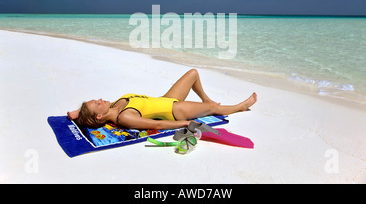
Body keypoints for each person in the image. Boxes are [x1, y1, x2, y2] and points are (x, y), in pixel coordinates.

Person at [68, 69, 257, 130]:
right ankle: (240, 106)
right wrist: (186, 123)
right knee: (210, 109)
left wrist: (79, 113)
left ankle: (209, 99)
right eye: (97, 103)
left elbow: (88, 115)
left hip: (166, 99)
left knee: (193, 73)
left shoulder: (115, 105)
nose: (100, 99)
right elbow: (156, 125)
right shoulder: (124, 117)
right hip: (174, 111)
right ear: (100, 116)